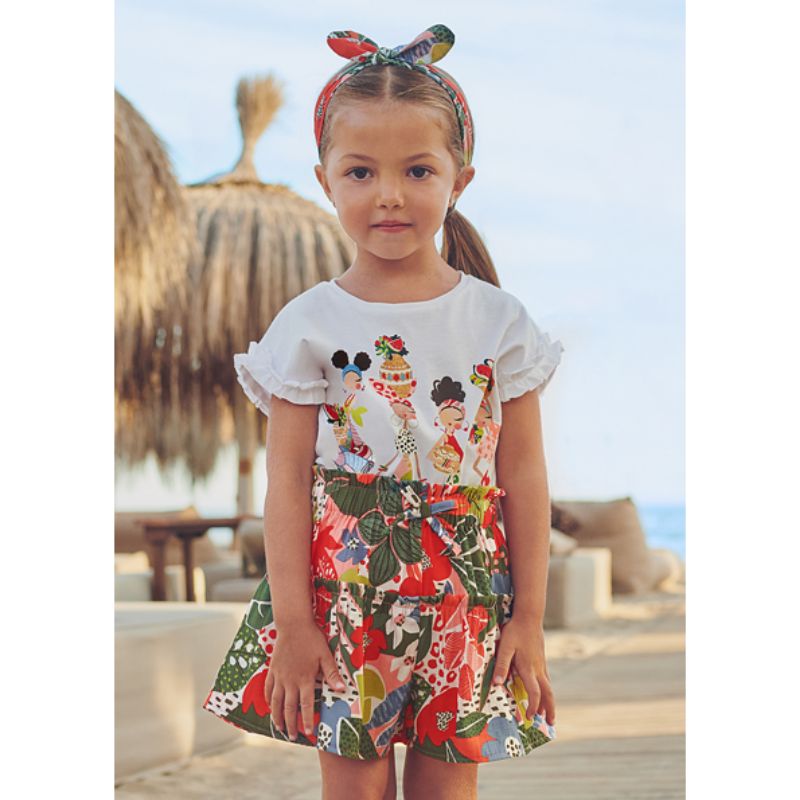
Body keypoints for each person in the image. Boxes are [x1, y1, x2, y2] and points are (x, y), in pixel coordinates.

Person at [203, 24, 565, 800]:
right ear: (325, 180)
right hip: (343, 599)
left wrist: (528, 619)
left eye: (418, 170)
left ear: (459, 180)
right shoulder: (307, 324)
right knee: (356, 791)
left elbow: (526, 477)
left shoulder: (500, 322)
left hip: (468, 596)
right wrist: (293, 626)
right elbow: (287, 483)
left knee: (446, 792)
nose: (389, 193)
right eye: (361, 171)